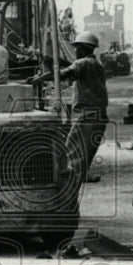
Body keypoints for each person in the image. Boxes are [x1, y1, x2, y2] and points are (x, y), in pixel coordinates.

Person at [32, 30, 108, 183]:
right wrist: (51, 60)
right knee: (85, 147)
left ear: (83, 48)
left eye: (76, 47)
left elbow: (63, 73)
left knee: (73, 146)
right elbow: (72, 66)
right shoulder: (94, 64)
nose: (75, 50)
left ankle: (75, 175)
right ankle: (81, 173)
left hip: (87, 113)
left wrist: (38, 79)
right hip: (98, 113)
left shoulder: (83, 63)